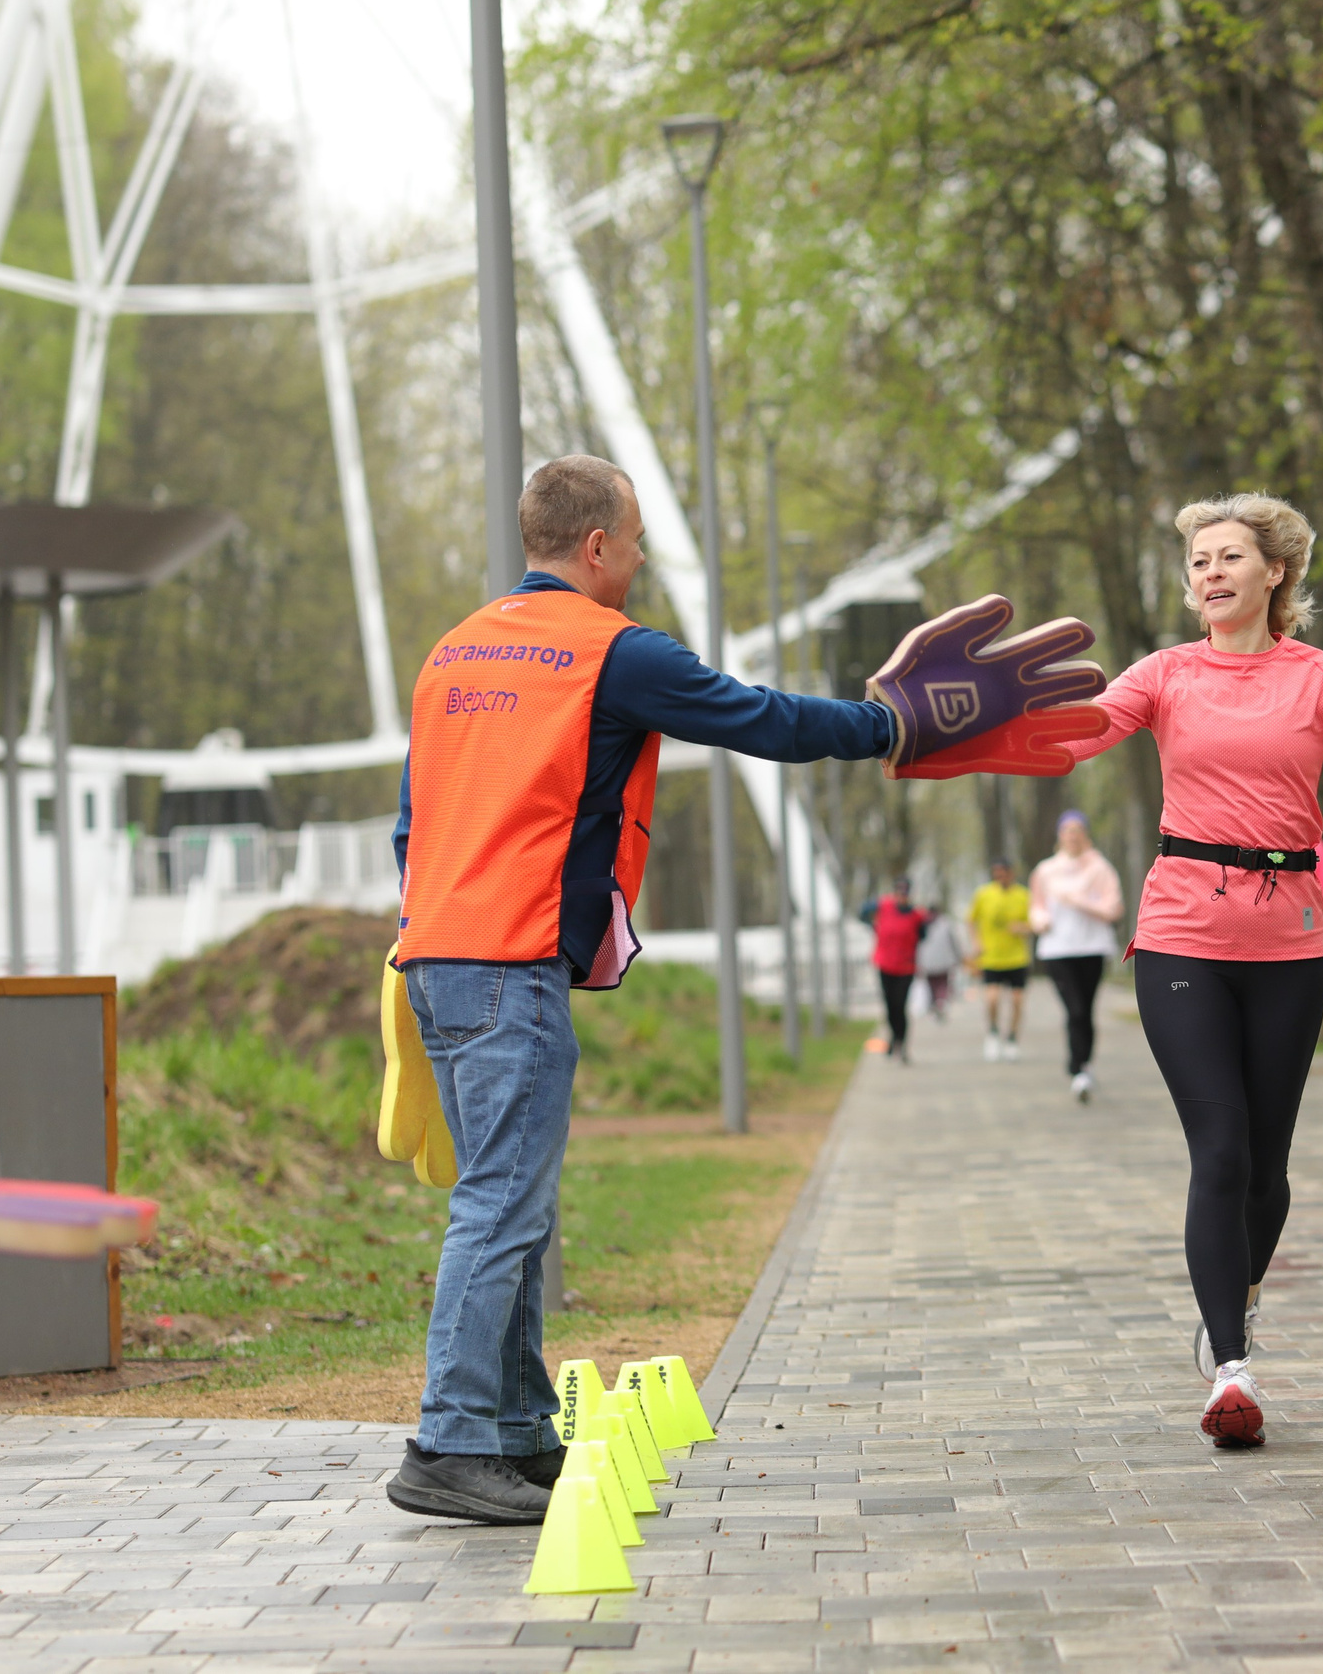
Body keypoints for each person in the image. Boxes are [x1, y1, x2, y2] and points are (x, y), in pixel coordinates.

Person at [388, 453, 900, 1523]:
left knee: (512, 1201)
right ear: (595, 547)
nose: (639, 560)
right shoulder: (609, 653)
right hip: (507, 966)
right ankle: (447, 1441)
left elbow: (413, 819)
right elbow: (763, 720)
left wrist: (428, 931)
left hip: (437, 958)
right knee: (497, 1205)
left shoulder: (452, 651)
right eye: (634, 541)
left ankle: (515, 1432)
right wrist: (891, 727)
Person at [1052, 493, 1323, 1448]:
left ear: (1276, 573)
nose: (1211, 573)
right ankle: (1231, 1367)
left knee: (1268, 1171)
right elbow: (1073, 737)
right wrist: (976, 726)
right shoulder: (1166, 675)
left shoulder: (1319, 678)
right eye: (1197, 562)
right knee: (1219, 1148)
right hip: (1182, 927)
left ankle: (1238, 1291)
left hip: (1288, 944)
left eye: (1229, 557)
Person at [1028, 811, 1123, 1102]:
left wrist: (1079, 902)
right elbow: (1037, 906)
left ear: (1085, 834)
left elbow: (1113, 910)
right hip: (1057, 949)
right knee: (1075, 1009)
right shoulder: (1045, 870)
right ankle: (1078, 1067)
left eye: (1078, 829)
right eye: (1067, 830)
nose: (1072, 835)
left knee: (1086, 1008)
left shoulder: (1101, 868)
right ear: (1059, 835)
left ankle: (1084, 1065)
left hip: (1092, 947)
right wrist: (1039, 920)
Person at [967, 860, 1033, 1061]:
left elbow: (1035, 923)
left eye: (1003, 874)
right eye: (996, 874)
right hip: (991, 957)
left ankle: (1012, 1038)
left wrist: (1022, 928)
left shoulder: (1023, 895)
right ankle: (993, 1033)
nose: (1000, 878)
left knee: (1017, 1001)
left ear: (1011, 874)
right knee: (992, 998)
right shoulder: (984, 894)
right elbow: (971, 921)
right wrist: (976, 943)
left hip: (1016, 958)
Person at [864, 879, 929, 1062]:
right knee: (889, 1005)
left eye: (905, 893)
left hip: (906, 966)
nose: (902, 896)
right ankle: (893, 1037)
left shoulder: (916, 915)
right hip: (885, 964)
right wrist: (873, 925)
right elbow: (863, 912)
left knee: (901, 1005)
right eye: (899, 892)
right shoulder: (883, 905)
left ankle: (902, 1044)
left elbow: (923, 935)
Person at [916, 907, 963, 1021]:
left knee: (932, 985)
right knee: (942, 985)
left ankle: (935, 1005)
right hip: (943, 961)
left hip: (927, 962)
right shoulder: (945, 923)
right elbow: (953, 941)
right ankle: (940, 1004)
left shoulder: (923, 922)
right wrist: (958, 956)